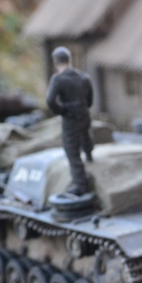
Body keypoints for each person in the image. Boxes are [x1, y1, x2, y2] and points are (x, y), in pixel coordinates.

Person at [45, 47, 94, 197]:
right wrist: (83, 107)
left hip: (70, 118)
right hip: (84, 114)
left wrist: (62, 110)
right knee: (85, 135)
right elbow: (90, 99)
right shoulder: (84, 77)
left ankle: (81, 184)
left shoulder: (58, 79)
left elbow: (50, 100)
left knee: (71, 149)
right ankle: (89, 153)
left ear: (56, 62)